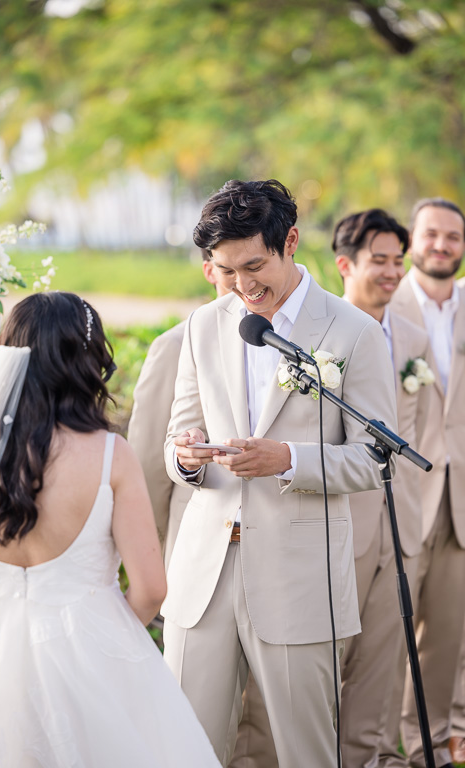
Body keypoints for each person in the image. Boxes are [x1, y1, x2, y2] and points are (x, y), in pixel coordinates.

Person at [161, 179, 398, 768]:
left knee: (307, 754)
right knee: (182, 750)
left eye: (254, 265)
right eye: (224, 270)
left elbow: (377, 455)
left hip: (300, 576)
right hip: (203, 578)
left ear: (290, 241)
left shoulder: (354, 332)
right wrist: (186, 456)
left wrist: (288, 459)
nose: (242, 286)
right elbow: (177, 437)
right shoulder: (203, 326)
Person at [0, 291, 221, 767]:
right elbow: (151, 589)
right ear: (84, 361)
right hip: (90, 661)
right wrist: (99, 632)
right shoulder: (107, 455)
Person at [128, 251, 279, 768]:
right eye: (226, 266)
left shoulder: (290, 339)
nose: (241, 279)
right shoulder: (176, 343)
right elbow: (150, 463)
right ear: (209, 270)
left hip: (280, 561)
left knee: (265, 724)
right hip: (199, 557)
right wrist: (151, 558)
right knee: (197, 724)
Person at [333, 209, 434, 768]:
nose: (394, 272)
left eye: (400, 260)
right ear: (346, 263)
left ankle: (366, 758)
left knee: (381, 663)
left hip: (402, 526)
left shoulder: (414, 336)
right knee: (323, 664)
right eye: (381, 261)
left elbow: (416, 433)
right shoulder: (323, 336)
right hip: (341, 522)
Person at [387, 198, 465, 768]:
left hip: (459, 501)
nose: (442, 245)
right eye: (432, 235)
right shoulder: (385, 305)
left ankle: (428, 750)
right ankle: (367, 747)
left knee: (443, 637)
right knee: (383, 634)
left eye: (453, 238)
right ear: (413, 241)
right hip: (399, 496)